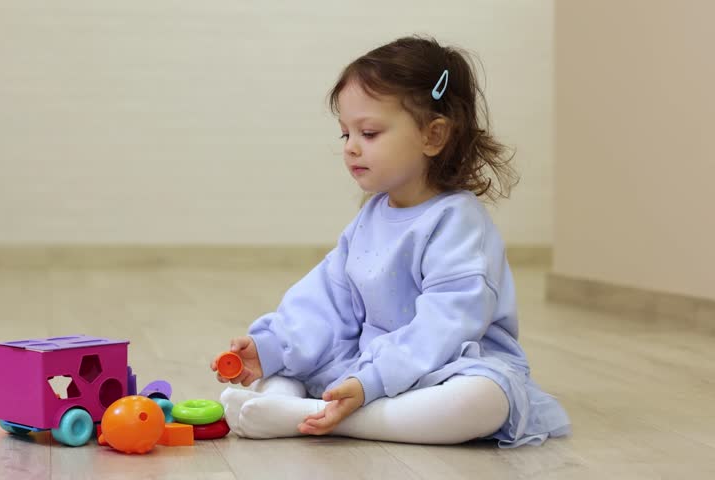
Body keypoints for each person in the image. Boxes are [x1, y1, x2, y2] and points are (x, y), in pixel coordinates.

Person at [210, 35, 570, 448]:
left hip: (447, 365)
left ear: (433, 137)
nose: (351, 148)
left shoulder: (458, 222)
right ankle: (293, 404)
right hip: (369, 367)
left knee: (486, 400)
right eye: (344, 134)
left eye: (369, 132)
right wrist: (272, 346)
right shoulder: (371, 216)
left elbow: (446, 325)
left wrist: (373, 380)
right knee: (291, 362)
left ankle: (321, 417)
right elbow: (327, 297)